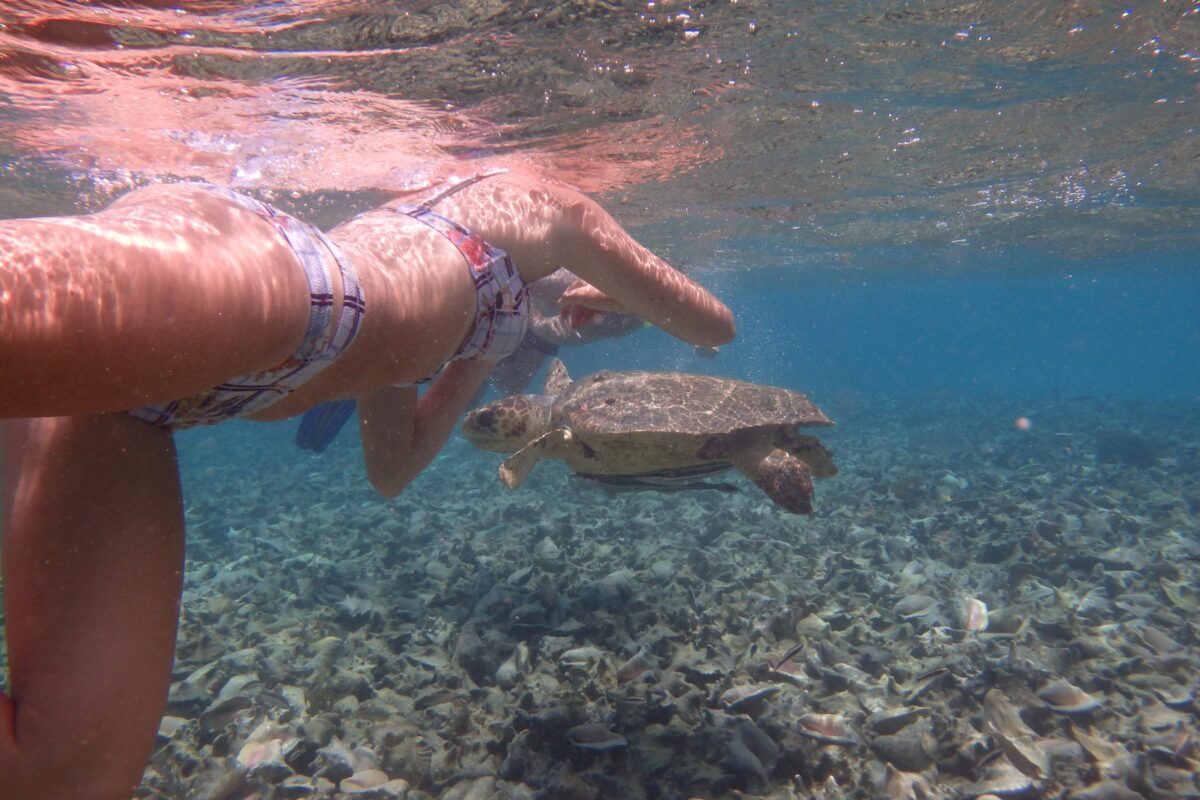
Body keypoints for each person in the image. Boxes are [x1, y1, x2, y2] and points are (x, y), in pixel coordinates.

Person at [0, 166, 735, 800]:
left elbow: (393, 469)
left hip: (162, 402)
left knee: (66, 772)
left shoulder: (492, 302)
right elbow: (714, 323)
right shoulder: (543, 202)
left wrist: (485, 347)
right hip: (284, 293)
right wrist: (622, 297)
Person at [295, 266, 644, 453]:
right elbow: (526, 276)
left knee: (506, 385)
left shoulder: (623, 308)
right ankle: (373, 379)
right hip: (511, 317)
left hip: (533, 331)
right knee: (469, 384)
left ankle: (390, 380)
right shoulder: (592, 286)